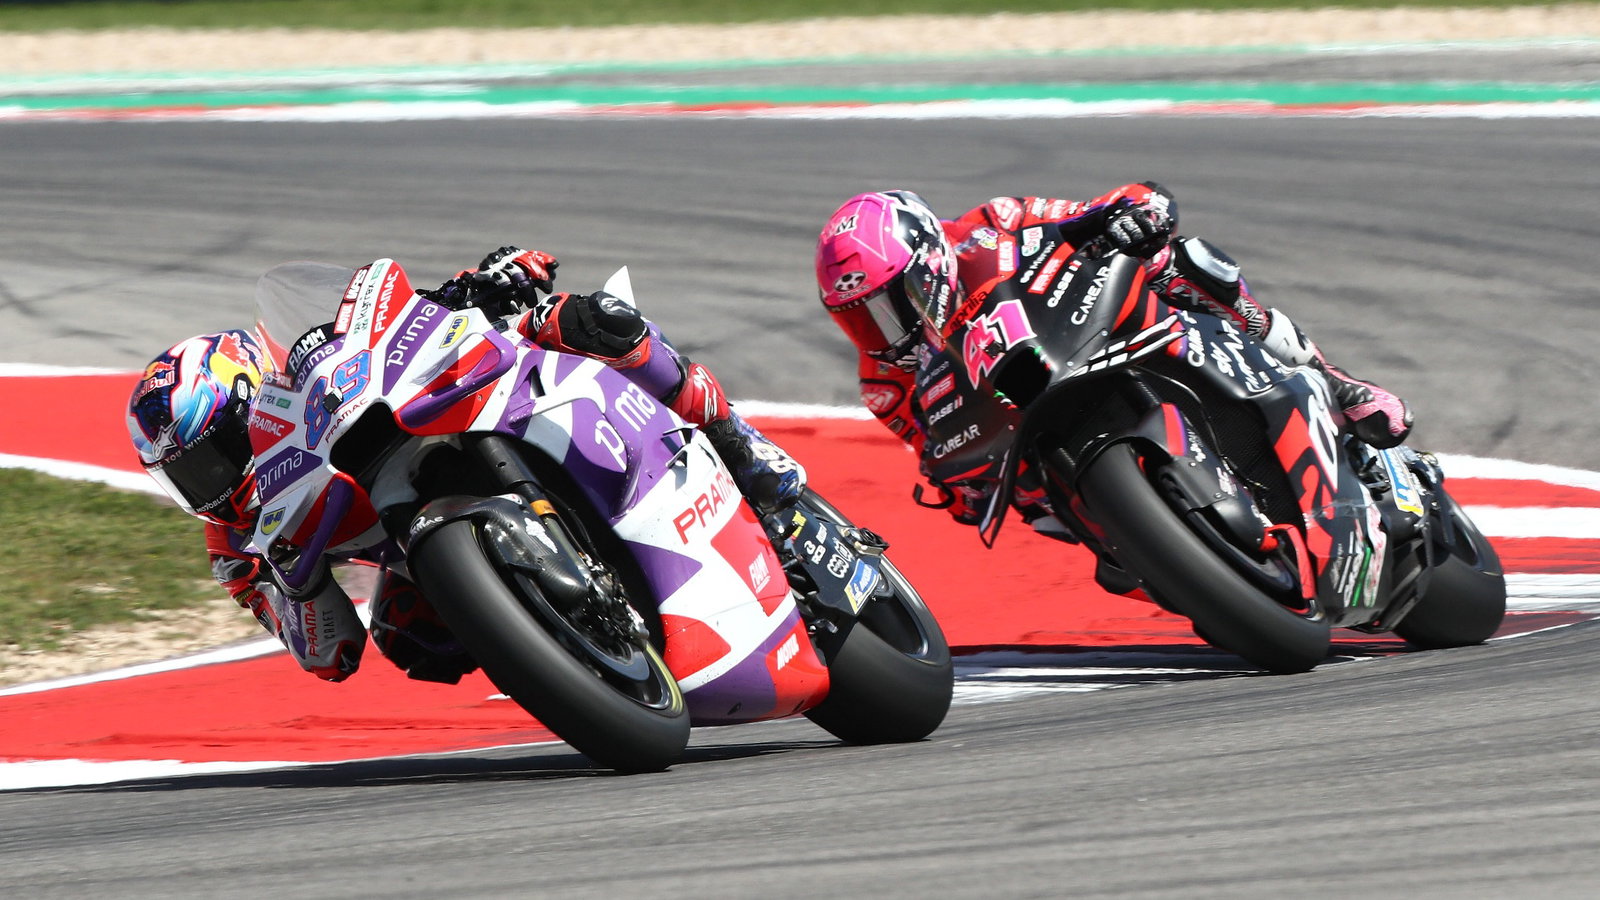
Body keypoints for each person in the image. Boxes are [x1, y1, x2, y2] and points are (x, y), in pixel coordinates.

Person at [125, 247, 804, 684]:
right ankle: (563, 652)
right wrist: (294, 588)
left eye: (212, 455)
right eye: (186, 478)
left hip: (437, 417)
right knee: (409, 636)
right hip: (412, 545)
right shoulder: (236, 543)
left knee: (588, 319)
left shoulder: (302, 392)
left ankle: (737, 438)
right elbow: (330, 657)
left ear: (251, 401)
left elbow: (385, 333)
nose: (209, 487)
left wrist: (478, 283)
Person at [813, 185, 1412, 529]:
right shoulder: (883, 382)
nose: (883, 330)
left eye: (891, 306)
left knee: (1180, 261)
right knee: (1037, 514)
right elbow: (934, 453)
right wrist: (958, 491)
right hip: (1029, 429)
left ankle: (1333, 382)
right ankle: (1169, 563)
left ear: (929, 263)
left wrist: (1133, 213)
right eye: (860, 318)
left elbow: (1102, 208)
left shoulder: (990, 226)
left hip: (1093, 329)